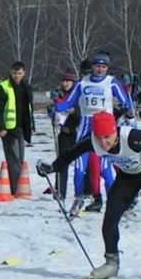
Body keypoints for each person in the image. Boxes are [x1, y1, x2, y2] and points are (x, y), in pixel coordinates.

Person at [37, 110, 141, 279]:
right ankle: (111, 263)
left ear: (115, 131)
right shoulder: (94, 142)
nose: (103, 142)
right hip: (129, 175)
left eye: (107, 137)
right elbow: (71, 154)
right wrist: (52, 167)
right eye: (99, 138)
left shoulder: (132, 137)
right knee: (110, 217)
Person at [54, 51, 133, 215]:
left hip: (104, 128)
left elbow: (125, 101)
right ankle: (78, 198)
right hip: (86, 126)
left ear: (107, 68)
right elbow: (69, 102)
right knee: (79, 166)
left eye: (103, 67)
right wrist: (55, 107)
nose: (100, 69)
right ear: (93, 67)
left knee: (106, 167)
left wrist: (127, 110)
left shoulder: (111, 82)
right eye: (97, 66)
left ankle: (115, 201)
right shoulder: (83, 82)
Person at [0, 61, 35, 195]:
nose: (17, 76)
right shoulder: (3, 87)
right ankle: (16, 188)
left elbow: (29, 109)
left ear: (24, 73)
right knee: (14, 159)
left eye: (19, 73)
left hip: (22, 128)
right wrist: (0, 128)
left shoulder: (26, 87)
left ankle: (19, 185)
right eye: (15, 73)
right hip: (9, 129)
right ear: (11, 72)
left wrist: (32, 124)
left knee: (20, 159)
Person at [48, 69, 80, 200]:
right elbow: (55, 113)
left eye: (69, 81)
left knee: (81, 165)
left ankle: (85, 190)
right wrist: (51, 112)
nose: (66, 83)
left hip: (77, 133)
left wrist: (73, 111)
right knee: (62, 163)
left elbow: (80, 115)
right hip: (65, 134)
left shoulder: (78, 95)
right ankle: (60, 191)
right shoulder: (59, 95)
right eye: (64, 81)